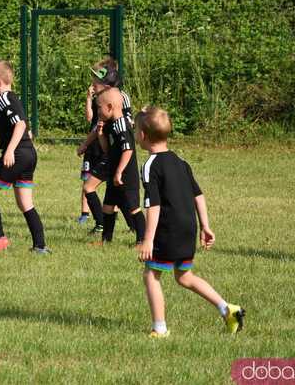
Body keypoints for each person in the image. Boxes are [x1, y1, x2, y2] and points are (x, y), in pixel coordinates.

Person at [135, 106, 245, 337]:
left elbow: (153, 206)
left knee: (151, 275)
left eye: (136, 131)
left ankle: (160, 328)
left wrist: (147, 239)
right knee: (184, 276)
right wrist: (205, 226)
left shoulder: (150, 166)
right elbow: (198, 194)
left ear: (143, 136)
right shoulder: (181, 161)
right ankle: (227, 309)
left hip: (168, 230)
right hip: (188, 228)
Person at [0, 60, 50, 255]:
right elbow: (23, 124)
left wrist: (9, 151)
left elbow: (20, 125)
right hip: (28, 153)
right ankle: (40, 245)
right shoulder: (12, 97)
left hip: (17, 154)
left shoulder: (4, 98)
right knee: (25, 203)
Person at [77, 64, 145, 246]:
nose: (97, 112)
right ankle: (105, 240)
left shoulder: (122, 125)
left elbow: (128, 149)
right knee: (107, 207)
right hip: (114, 170)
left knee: (133, 208)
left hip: (124, 175)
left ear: (109, 106)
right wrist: (99, 136)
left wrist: (118, 172)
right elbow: (108, 150)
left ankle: (142, 240)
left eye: (99, 109)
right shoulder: (110, 123)